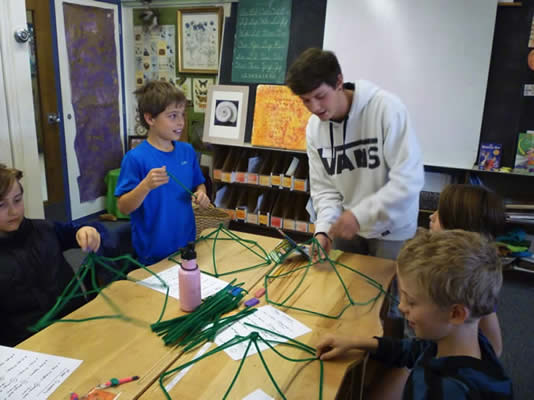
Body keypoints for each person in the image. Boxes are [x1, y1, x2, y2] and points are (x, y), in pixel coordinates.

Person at [316, 229, 513, 400]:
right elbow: (415, 351)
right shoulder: (463, 343)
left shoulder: (445, 390)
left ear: (455, 313)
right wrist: (356, 342)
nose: (401, 307)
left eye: (411, 301)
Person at [286, 48, 424, 261]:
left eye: (320, 96)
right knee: (343, 289)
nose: (314, 107)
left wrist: (360, 215)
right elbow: (324, 188)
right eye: (306, 101)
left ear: (339, 81)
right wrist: (323, 229)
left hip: (392, 230)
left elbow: (408, 180)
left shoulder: (387, 109)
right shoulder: (315, 128)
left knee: (386, 292)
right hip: (347, 227)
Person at [0, 164, 103, 346]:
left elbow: (73, 232)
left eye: (17, 200)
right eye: (2, 205)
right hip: (28, 346)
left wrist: (86, 230)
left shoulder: (43, 229)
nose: (13, 211)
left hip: (76, 324)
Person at [115, 81, 210, 265]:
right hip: (153, 252)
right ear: (150, 119)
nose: (181, 122)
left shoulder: (187, 151)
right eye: (172, 116)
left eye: (182, 114)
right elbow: (124, 207)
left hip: (186, 244)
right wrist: (145, 186)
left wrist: (202, 193)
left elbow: (199, 183)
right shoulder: (135, 158)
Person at [430, 183, 506, 356]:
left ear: (459, 229)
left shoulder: (469, 281)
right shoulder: (441, 262)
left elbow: (495, 347)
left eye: (440, 214)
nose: (432, 216)